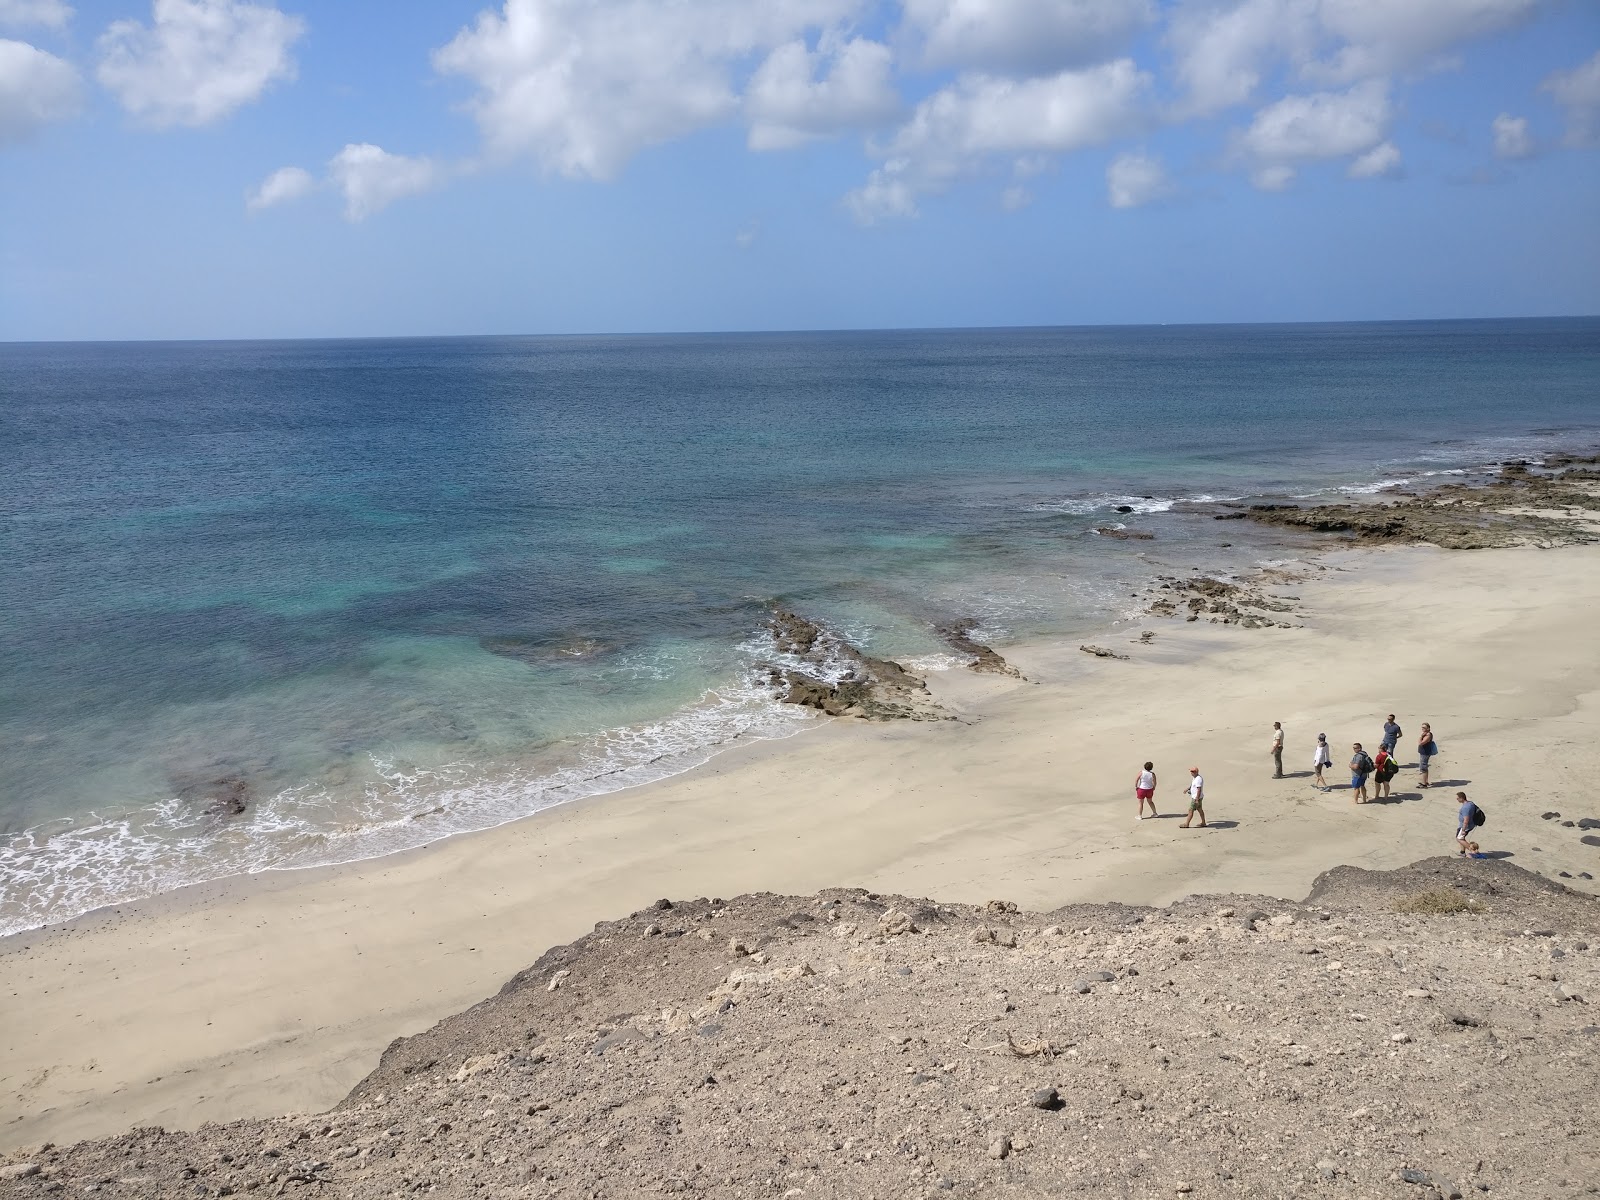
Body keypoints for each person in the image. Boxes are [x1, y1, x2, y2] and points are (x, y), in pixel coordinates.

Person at [1418, 723, 1438, 788]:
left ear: (1428, 728)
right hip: (1424, 752)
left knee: (1423, 767)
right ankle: (1425, 781)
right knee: (1424, 766)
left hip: (1425, 753)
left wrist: (1421, 736)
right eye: (1422, 727)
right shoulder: (1426, 734)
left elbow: (1421, 743)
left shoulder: (1428, 735)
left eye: (1424, 728)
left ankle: (1424, 783)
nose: (1422, 729)